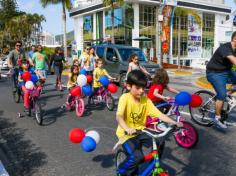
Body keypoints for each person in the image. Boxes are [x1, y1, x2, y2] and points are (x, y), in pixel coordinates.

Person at [116, 70, 182, 176]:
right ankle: (121, 170)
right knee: (136, 157)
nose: (141, 91)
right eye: (137, 88)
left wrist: (174, 122)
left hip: (141, 131)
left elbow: (159, 114)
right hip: (126, 134)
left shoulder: (145, 100)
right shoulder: (125, 98)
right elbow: (119, 116)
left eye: (143, 87)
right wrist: (127, 128)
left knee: (160, 141)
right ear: (129, 86)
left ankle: (154, 164)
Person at [206, 31, 236, 129]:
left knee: (224, 93)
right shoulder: (225, 48)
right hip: (214, 73)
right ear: (234, 39)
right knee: (221, 95)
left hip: (226, 72)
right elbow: (234, 60)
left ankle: (226, 94)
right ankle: (217, 118)